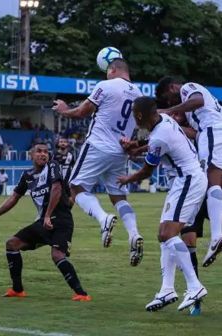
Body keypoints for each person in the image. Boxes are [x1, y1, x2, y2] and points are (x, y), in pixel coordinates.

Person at [118, 97, 208, 311]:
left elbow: (147, 171)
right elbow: (155, 145)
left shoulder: (160, 136)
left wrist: (126, 180)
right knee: (164, 236)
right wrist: (138, 148)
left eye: (134, 114)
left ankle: (194, 286)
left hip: (188, 180)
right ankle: (167, 289)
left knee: (167, 234)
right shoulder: (164, 120)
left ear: (139, 115)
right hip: (187, 179)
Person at [53, 58, 144, 266]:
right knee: (119, 196)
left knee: (76, 187)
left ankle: (103, 219)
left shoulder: (105, 85)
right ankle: (133, 234)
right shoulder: (140, 95)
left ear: (112, 69)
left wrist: (64, 109)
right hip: (121, 151)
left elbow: (82, 112)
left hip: (97, 145)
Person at [0, 143, 91, 301]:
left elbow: (56, 189)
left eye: (46, 152)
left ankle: (81, 294)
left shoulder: (52, 166)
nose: (43, 154)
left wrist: (48, 215)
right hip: (44, 222)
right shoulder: (27, 176)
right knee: (12, 244)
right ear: (31, 155)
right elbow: (14, 198)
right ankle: (17, 289)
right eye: (39, 151)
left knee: (56, 255)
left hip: (61, 221)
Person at [156, 76, 222, 267]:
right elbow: (195, 133)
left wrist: (168, 111)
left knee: (212, 182)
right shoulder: (196, 116)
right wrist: (173, 122)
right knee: (215, 185)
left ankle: (217, 235)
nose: (171, 103)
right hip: (212, 133)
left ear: (171, 87)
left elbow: (198, 99)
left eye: (168, 98)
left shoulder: (187, 88)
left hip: (213, 132)